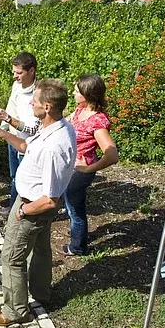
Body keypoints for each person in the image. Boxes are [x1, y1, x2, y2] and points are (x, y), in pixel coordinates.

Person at [0, 79, 76, 326]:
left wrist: (24, 211)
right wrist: (2, 133)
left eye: (34, 101)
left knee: (12, 258)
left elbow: (50, 199)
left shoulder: (55, 145)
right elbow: (25, 146)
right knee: (42, 251)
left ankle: (15, 312)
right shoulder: (53, 128)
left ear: (47, 107)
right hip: (31, 206)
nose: (30, 103)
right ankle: (41, 293)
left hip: (32, 208)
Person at [62, 74, 118, 256]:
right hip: (72, 166)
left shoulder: (97, 122)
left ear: (88, 94)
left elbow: (112, 155)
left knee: (75, 209)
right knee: (71, 206)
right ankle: (78, 236)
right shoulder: (81, 109)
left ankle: (78, 247)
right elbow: (66, 121)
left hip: (80, 171)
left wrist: (87, 169)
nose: (73, 93)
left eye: (77, 91)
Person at [0, 52, 40, 214]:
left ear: (31, 71)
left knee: (26, 181)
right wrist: (1, 130)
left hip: (27, 146)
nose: (15, 76)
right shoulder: (17, 87)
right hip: (13, 140)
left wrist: (8, 119)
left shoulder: (38, 94)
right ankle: (14, 209)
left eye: (19, 73)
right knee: (14, 178)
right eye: (14, 72)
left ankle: (27, 212)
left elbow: (33, 128)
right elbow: (11, 109)